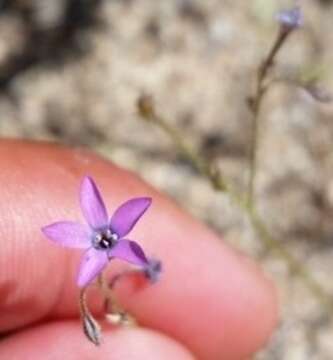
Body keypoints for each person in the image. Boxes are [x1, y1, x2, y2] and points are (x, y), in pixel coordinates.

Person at [0, 140, 277, 359]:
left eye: (107, 240)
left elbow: (118, 245)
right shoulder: (96, 247)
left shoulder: (120, 247)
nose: (104, 241)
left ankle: (121, 318)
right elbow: (81, 263)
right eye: (103, 240)